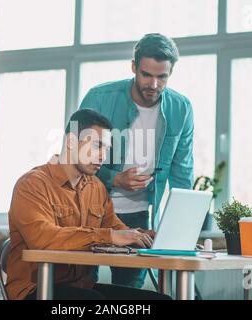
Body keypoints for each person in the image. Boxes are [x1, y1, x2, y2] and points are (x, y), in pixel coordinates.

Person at [6, 109, 171, 300]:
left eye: (107, 149)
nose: (103, 156)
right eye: (96, 146)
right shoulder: (32, 184)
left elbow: (115, 228)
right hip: (35, 289)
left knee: (160, 300)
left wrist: (144, 236)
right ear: (70, 142)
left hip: (81, 286)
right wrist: (110, 236)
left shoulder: (96, 187)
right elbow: (42, 238)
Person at [79, 33, 194, 288]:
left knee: (129, 293)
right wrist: (115, 178)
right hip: (89, 213)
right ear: (133, 67)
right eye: (146, 75)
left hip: (139, 218)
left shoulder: (181, 108)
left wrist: (181, 229)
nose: (153, 84)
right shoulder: (99, 97)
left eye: (162, 76)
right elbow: (74, 158)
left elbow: (182, 173)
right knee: (82, 288)